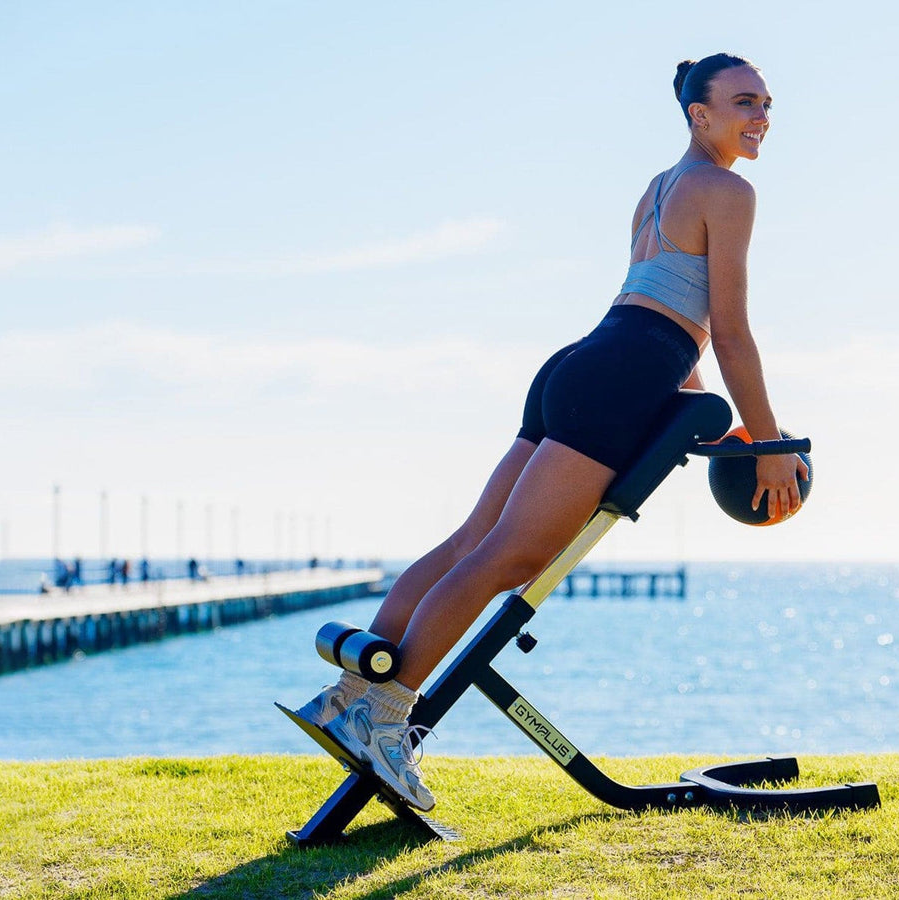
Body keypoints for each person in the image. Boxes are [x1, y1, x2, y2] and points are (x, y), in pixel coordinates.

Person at [293, 53, 808, 811]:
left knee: (470, 542)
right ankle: (386, 716)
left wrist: (706, 414)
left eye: (766, 102)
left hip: (584, 361)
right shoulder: (727, 189)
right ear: (700, 114)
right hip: (625, 369)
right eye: (742, 102)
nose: (760, 116)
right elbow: (725, 329)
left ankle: (349, 697)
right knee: (512, 556)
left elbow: (667, 310)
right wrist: (767, 444)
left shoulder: (659, 190)